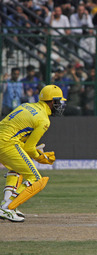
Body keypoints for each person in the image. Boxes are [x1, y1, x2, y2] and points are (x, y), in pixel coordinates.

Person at [0, 85, 66, 222]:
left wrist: (35, 151)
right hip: (7, 143)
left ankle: (6, 204)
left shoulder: (26, 106)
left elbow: (19, 137)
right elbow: (29, 148)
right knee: (36, 179)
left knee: (16, 170)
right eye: (59, 102)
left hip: (5, 140)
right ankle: (7, 208)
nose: (60, 106)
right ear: (52, 101)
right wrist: (41, 157)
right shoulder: (44, 120)